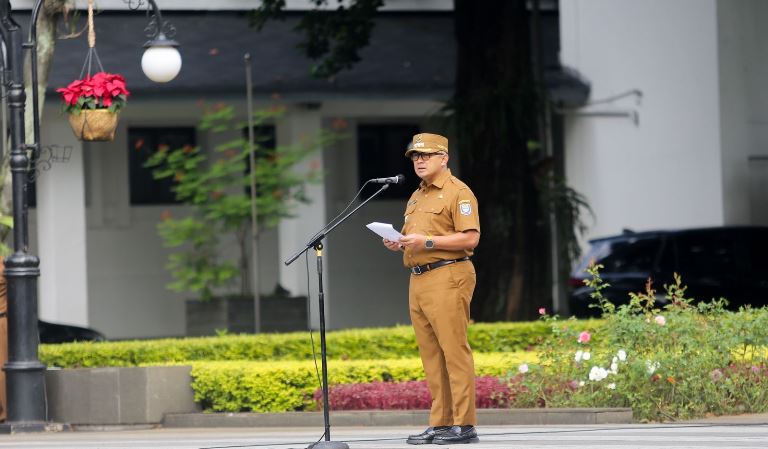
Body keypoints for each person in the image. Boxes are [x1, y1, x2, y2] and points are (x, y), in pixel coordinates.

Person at [382, 132, 480, 445]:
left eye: (426, 155)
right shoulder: (417, 196)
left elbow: (470, 238)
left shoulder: (458, 193)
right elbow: (416, 237)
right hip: (419, 278)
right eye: (415, 156)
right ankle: (441, 424)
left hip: (448, 275)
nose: (419, 161)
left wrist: (427, 241)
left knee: (454, 351)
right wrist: (397, 242)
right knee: (431, 356)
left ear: (444, 158)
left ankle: (464, 426)